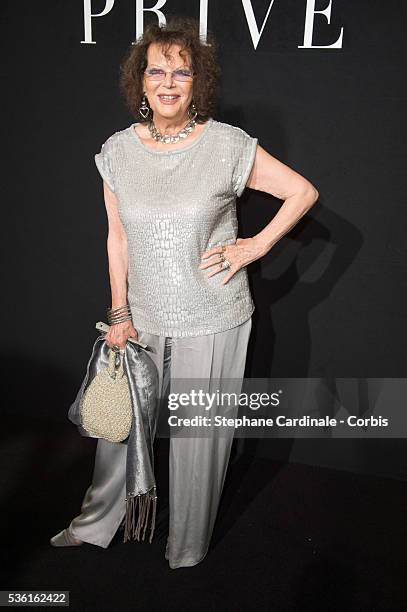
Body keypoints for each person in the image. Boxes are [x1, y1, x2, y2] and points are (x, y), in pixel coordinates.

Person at [50, 16, 318, 569]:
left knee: (203, 438)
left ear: (198, 83)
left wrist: (255, 246)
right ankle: (97, 523)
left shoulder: (227, 145)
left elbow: (301, 192)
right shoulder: (117, 151)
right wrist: (118, 310)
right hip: (141, 316)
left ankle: (187, 548)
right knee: (118, 433)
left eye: (182, 72)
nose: (168, 82)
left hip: (215, 313)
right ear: (140, 82)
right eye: (157, 71)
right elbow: (116, 237)